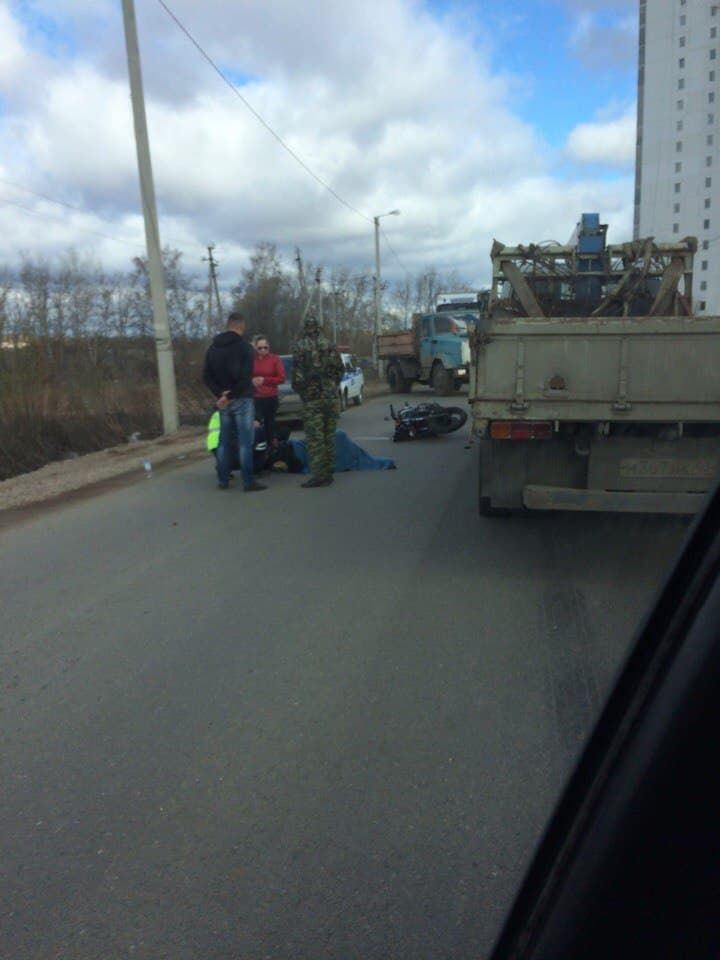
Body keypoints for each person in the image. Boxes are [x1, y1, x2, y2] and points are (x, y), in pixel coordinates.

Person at [202, 311, 266, 492]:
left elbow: (206, 377)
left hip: (223, 402)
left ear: (227, 325)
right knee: (245, 443)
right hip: (242, 399)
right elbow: (245, 378)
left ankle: (223, 479)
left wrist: (221, 396)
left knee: (223, 441)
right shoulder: (245, 348)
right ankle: (248, 481)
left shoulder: (212, 348)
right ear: (241, 327)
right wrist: (231, 396)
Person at [291, 314, 344, 488]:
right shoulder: (330, 345)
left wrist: (304, 392)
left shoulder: (300, 347)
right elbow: (340, 370)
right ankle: (328, 472)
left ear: (306, 328)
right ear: (319, 327)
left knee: (315, 438)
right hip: (329, 397)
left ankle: (320, 475)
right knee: (329, 436)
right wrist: (332, 386)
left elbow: (297, 377)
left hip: (312, 398)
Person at [252, 335, 285, 444]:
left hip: (271, 397)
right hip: (256, 397)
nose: (263, 350)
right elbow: (245, 376)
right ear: (255, 348)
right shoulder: (251, 360)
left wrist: (264, 380)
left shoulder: (274, 359)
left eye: (265, 347)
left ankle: (271, 448)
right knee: (255, 424)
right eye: (260, 348)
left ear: (269, 347)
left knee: (270, 425)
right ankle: (257, 447)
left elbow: (281, 378)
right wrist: (252, 381)